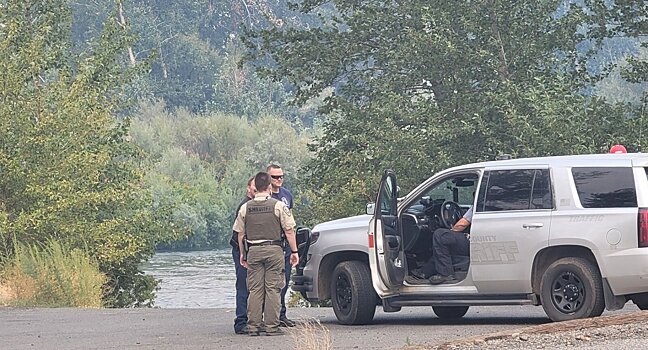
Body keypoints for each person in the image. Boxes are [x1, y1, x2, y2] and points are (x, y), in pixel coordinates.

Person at [233, 172, 299, 336]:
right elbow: (289, 231)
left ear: (255, 186)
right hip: (274, 250)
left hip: (253, 250)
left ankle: (253, 326)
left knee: (255, 289)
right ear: (269, 186)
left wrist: (243, 254)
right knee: (273, 289)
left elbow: (240, 234)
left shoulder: (245, 207)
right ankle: (271, 326)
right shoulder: (278, 206)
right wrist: (295, 251)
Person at [406, 207, 472, 285]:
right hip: (472, 240)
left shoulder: (479, 204)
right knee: (442, 250)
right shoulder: (483, 204)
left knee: (441, 235)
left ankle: (445, 274)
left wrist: (450, 232)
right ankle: (424, 272)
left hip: (472, 241)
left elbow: (462, 224)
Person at [266, 163, 296, 327]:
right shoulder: (264, 196)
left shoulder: (287, 195)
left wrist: (294, 249)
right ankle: (268, 316)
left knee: (283, 282)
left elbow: (290, 223)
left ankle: (281, 314)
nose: (279, 180)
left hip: (284, 245)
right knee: (269, 284)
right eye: (275, 177)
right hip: (270, 244)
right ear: (268, 177)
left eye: (281, 176)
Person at [230, 176, 255, 335]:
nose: (256, 190)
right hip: (242, 249)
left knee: (255, 286)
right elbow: (239, 234)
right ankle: (241, 321)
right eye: (254, 188)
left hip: (253, 249)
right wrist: (243, 254)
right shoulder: (245, 206)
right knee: (244, 284)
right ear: (248, 188)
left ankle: (253, 319)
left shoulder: (258, 205)